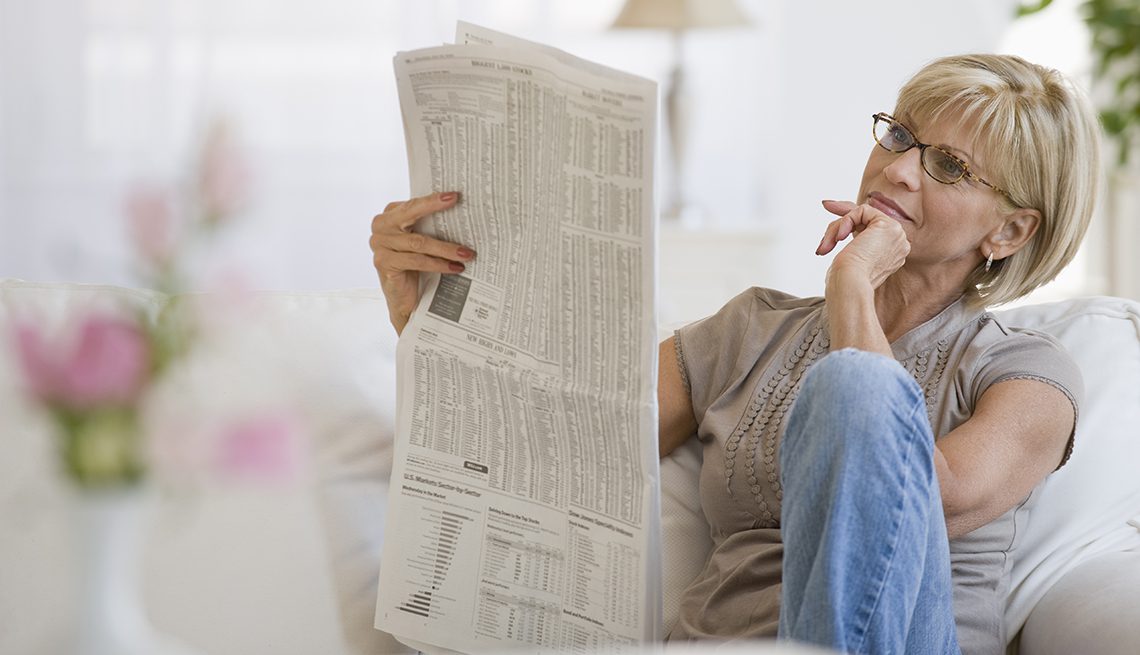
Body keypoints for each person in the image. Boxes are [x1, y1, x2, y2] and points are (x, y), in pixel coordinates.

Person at [369, 54, 1101, 655]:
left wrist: (851, 286)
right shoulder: (750, 328)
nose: (900, 170)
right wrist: (422, 319)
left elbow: (916, 495)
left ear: (1008, 233)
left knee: (853, 394)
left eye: (947, 166)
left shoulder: (1029, 372)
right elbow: (562, 451)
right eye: (901, 137)